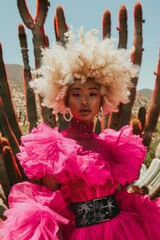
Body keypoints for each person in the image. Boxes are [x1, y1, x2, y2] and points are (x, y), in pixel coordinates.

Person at [0, 27, 160, 240]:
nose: (85, 101)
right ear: (65, 99)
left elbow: (119, 195)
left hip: (122, 230)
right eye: (76, 94)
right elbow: (52, 205)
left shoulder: (113, 147)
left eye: (92, 94)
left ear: (103, 99)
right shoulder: (54, 149)